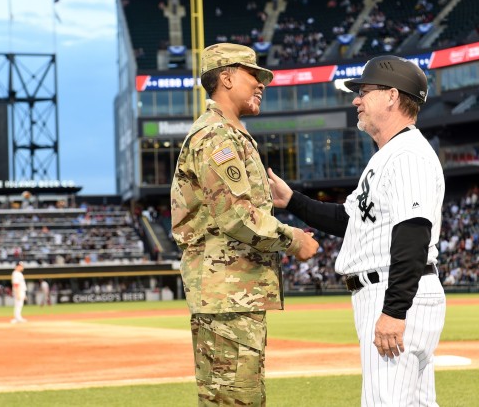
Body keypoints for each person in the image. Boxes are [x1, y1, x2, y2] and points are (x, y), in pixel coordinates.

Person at [268, 55, 446, 406]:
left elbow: (413, 233)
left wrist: (394, 310)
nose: (356, 100)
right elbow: (349, 220)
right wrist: (292, 201)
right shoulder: (388, 155)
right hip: (390, 290)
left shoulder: (408, 155)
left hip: (392, 291)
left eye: (364, 91)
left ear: (392, 96)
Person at [170, 43, 319, 406]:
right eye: (254, 74)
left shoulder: (228, 132)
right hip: (228, 296)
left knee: (230, 399)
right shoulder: (216, 135)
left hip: (230, 294)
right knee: (238, 400)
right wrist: (294, 239)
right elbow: (236, 216)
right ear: (226, 77)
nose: (261, 83)